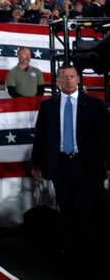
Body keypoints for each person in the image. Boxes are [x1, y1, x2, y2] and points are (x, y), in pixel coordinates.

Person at [31, 65, 110, 278]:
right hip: (61, 167)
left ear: (79, 79)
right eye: (64, 77)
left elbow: (106, 138)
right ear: (56, 80)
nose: (68, 81)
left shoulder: (94, 105)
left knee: (89, 215)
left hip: (87, 166)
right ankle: (71, 264)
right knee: (67, 215)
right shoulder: (47, 106)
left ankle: (93, 264)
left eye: (72, 76)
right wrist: (36, 163)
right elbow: (41, 136)